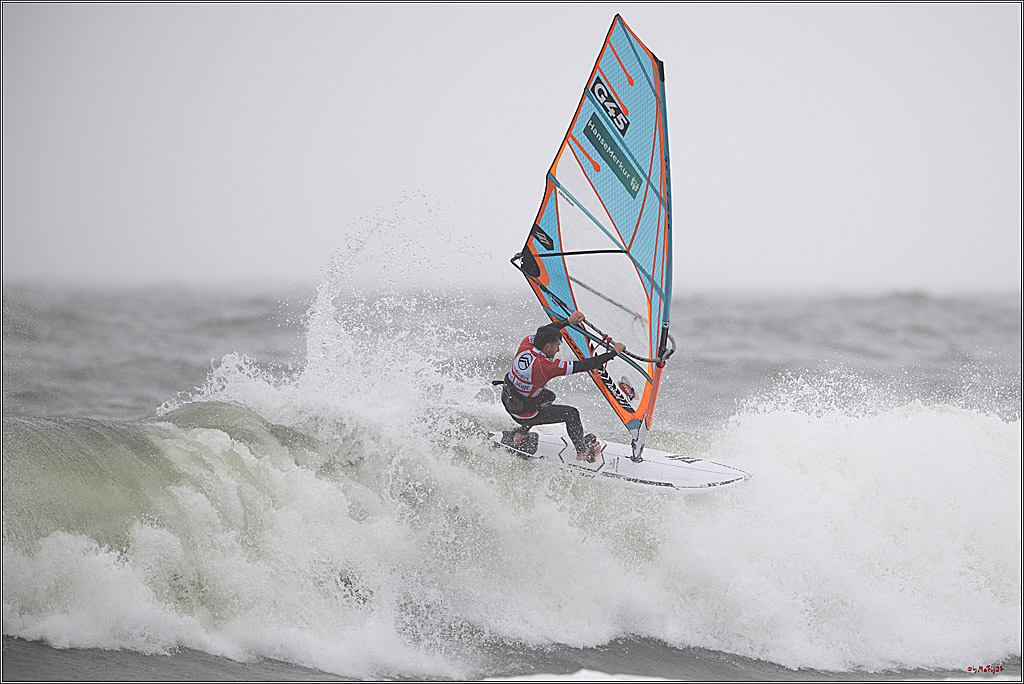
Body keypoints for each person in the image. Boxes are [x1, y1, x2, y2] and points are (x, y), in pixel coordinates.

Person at [500, 310, 625, 461]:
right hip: (523, 412)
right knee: (571, 414)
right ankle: (582, 452)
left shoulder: (528, 343)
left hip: (509, 399)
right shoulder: (545, 366)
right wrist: (613, 353)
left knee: (548, 396)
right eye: (557, 346)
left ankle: (522, 433)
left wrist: (568, 321)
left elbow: (545, 330)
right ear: (547, 346)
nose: (558, 350)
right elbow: (584, 365)